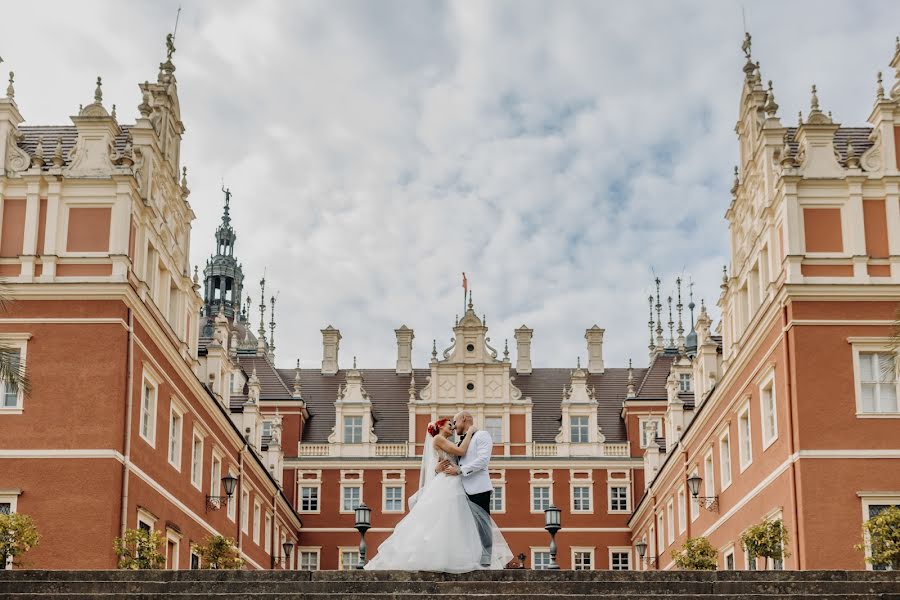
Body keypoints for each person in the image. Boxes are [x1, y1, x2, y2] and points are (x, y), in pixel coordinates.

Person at [363, 416, 512, 572]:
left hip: (457, 482)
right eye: (450, 424)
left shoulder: (448, 441)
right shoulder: (439, 439)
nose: (453, 427)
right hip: (449, 482)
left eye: (454, 424)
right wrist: (470, 433)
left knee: (454, 522)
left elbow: (458, 457)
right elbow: (461, 452)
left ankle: (457, 555)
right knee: (443, 520)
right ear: (440, 427)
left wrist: (439, 467)